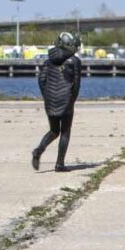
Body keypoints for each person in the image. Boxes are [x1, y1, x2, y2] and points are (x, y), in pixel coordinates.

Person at [32, 30, 85, 171]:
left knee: (53, 131)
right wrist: (71, 100)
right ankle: (59, 164)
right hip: (66, 100)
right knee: (65, 132)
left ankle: (38, 150)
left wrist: (47, 97)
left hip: (50, 100)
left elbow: (41, 80)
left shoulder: (48, 61)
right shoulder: (75, 61)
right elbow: (76, 84)